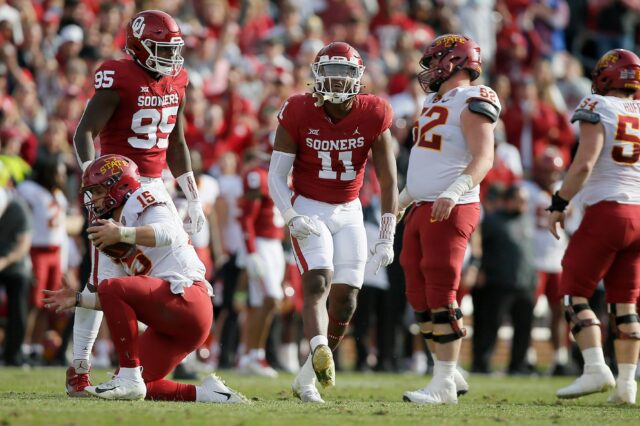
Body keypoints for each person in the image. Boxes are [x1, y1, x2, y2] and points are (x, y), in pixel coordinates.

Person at [67, 10, 206, 396]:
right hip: (115, 183)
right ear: (138, 46)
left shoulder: (178, 79)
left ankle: (143, 360)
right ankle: (79, 369)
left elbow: (176, 143)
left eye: (172, 49)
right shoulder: (119, 74)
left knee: (162, 265)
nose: (169, 57)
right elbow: (84, 132)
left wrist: (193, 198)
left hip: (156, 185)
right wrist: (92, 178)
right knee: (103, 277)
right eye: (160, 48)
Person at [43, 155, 244, 403]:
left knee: (129, 376)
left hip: (189, 298)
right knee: (144, 386)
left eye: (96, 191)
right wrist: (77, 298)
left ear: (119, 186)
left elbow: (169, 233)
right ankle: (211, 395)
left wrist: (123, 233)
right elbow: (112, 297)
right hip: (170, 314)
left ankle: (128, 374)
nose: (92, 199)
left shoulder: (144, 198)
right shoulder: (113, 226)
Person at [268, 41, 398, 403]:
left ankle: (307, 375)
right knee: (318, 280)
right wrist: (291, 216)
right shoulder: (297, 109)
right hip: (309, 206)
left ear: (358, 78)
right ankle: (319, 347)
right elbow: (276, 175)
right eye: (330, 73)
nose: (338, 82)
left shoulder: (374, 112)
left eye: (345, 74)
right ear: (316, 76)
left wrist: (387, 236)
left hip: (350, 209)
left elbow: (388, 180)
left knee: (346, 301)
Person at [397, 34, 501, 404]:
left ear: (453, 62)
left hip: (450, 206)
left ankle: (442, 382)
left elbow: (483, 156)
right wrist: (404, 197)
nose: (429, 71)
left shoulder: (475, 97)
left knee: (442, 290)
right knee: (417, 293)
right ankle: (448, 370)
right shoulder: (433, 100)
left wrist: (454, 192)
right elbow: (429, 160)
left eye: (435, 62)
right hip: (422, 205)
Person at [547, 49, 640, 404]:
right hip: (638, 213)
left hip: (609, 211)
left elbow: (584, 165)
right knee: (625, 303)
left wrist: (559, 202)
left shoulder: (598, 105)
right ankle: (627, 385)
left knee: (573, 290)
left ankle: (595, 368)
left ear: (605, 76)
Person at [237, 147, 285, 378]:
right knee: (270, 300)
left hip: (276, 244)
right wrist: (251, 251)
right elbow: (247, 217)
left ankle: (250, 356)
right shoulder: (258, 174)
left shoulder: (285, 174)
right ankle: (254, 356)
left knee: (262, 303)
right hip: (262, 244)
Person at [17, 156, 68, 364]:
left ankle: (37, 347)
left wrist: (63, 262)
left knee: (47, 303)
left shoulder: (57, 195)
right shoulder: (30, 190)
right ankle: (23, 345)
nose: (61, 177)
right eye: (58, 172)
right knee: (33, 302)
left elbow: (61, 231)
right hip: (37, 251)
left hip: (55, 253)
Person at [0, 185, 33, 366]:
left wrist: (4, 261)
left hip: (16, 265)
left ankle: (14, 354)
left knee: (18, 311)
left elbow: (23, 245)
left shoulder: (19, 208)